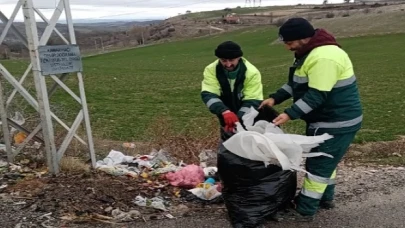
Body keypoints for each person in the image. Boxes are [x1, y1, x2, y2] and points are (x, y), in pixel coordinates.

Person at [260, 17, 363, 221]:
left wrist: (289, 114)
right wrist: (275, 98)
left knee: (318, 167)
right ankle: (326, 199)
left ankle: (305, 209)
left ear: (303, 38)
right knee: (326, 161)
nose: (287, 47)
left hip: (335, 122)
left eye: (289, 43)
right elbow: (296, 84)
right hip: (328, 120)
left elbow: (317, 95)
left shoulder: (324, 58)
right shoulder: (308, 53)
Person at [201, 41, 263, 142]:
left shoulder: (251, 72)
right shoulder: (211, 70)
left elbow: (253, 99)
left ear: (239, 58)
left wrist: (238, 121)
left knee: (247, 142)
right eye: (224, 60)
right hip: (225, 113)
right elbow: (209, 94)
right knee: (227, 144)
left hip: (247, 115)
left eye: (231, 60)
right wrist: (224, 111)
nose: (228, 64)